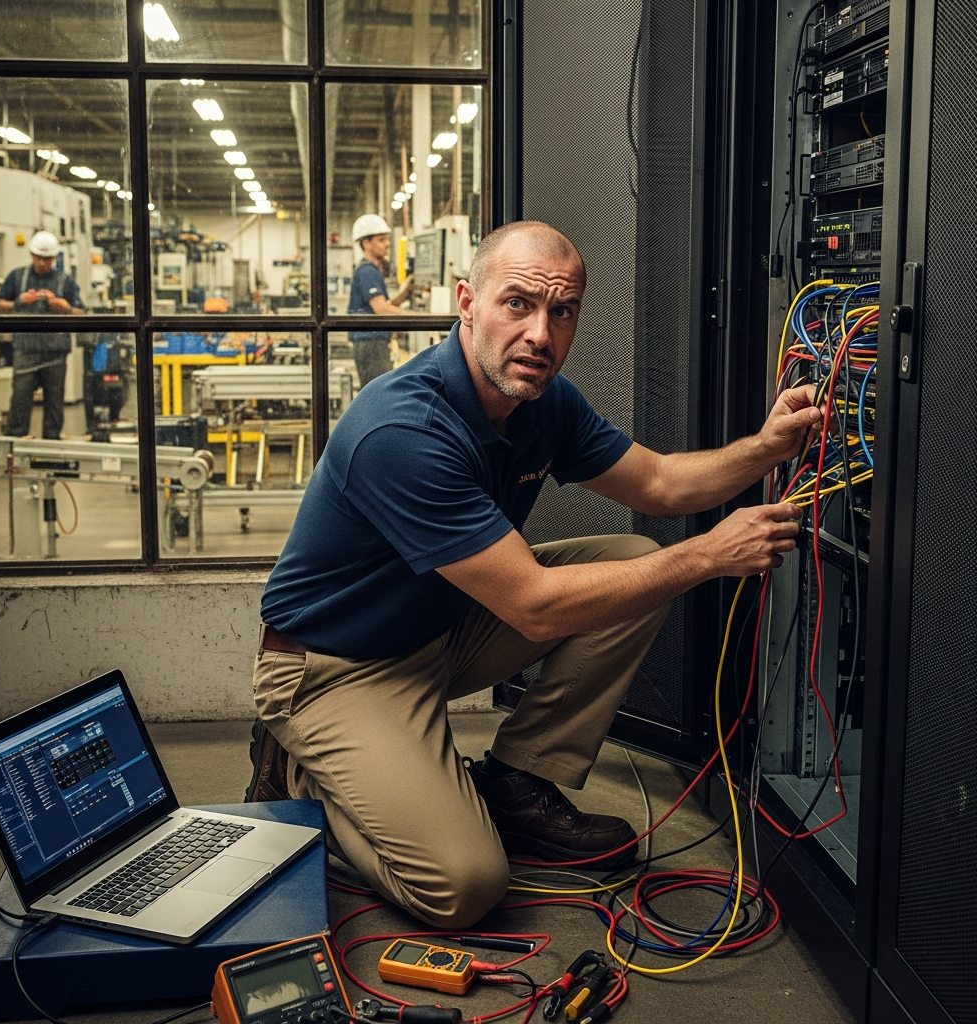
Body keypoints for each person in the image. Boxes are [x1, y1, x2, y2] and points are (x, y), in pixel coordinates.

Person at [250, 220, 819, 929]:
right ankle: (308, 776)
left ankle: (519, 782)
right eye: (517, 303)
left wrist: (767, 448)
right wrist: (706, 557)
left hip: (441, 628)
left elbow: (663, 485)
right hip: (336, 667)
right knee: (464, 888)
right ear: (467, 302)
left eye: (563, 311)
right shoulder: (401, 430)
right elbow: (536, 610)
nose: (541, 335)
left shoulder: (544, 400)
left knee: (637, 565)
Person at [0, 230, 86, 439]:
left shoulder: (66, 281)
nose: (42, 263)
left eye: (47, 259)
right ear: (31, 255)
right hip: (25, 351)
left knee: (55, 404)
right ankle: (16, 445)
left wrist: (64, 307)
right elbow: (0, 306)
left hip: (55, 353)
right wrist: (20, 301)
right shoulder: (17, 276)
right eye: (38, 258)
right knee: (20, 400)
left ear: (54, 258)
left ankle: (51, 447)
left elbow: (81, 312)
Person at [347, 214, 413, 388]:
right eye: (381, 240)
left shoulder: (370, 270)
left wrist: (403, 294)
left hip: (371, 342)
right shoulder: (367, 271)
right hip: (371, 344)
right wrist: (415, 317)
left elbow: (383, 305)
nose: (387, 244)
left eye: (387, 240)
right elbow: (381, 309)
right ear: (366, 243)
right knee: (380, 393)